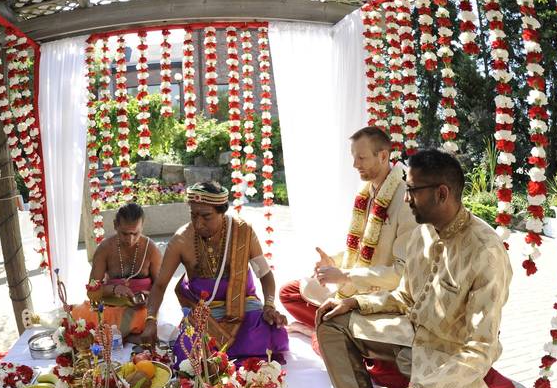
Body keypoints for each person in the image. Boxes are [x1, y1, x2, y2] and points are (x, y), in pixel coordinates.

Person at [315, 149, 512, 388]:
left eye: (411, 191)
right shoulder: (421, 234)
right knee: (331, 321)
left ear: (441, 193)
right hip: (406, 334)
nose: (405, 200)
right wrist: (357, 304)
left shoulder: (485, 252)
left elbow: (480, 347)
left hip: (446, 355)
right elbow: (405, 296)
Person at [279, 126, 416, 332]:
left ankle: (322, 331)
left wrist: (344, 276)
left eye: (361, 158)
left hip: (382, 298)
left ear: (383, 156)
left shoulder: (405, 199)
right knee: (288, 292)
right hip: (354, 285)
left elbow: (401, 273)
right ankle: (329, 328)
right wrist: (333, 263)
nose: (355, 165)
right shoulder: (366, 191)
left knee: (331, 332)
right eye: (353, 157)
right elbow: (362, 251)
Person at [138, 181, 289, 362]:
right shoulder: (181, 240)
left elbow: (264, 274)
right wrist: (151, 319)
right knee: (187, 351)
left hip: (243, 306)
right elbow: (160, 284)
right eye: (193, 215)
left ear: (222, 212)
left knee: (273, 332)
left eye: (206, 216)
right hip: (204, 312)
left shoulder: (242, 232)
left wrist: (269, 306)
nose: (198, 223)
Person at [87, 202, 163, 342]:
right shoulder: (104, 249)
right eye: (125, 233)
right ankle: (127, 336)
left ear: (142, 227)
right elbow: (91, 292)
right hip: (111, 310)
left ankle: (123, 337)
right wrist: (114, 289)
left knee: (144, 318)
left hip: (141, 311)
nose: (130, 239)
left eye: (135, 233)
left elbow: (160, 287)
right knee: (82, 315)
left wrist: (147, 295)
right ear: (116, 225)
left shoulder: (151, 249)